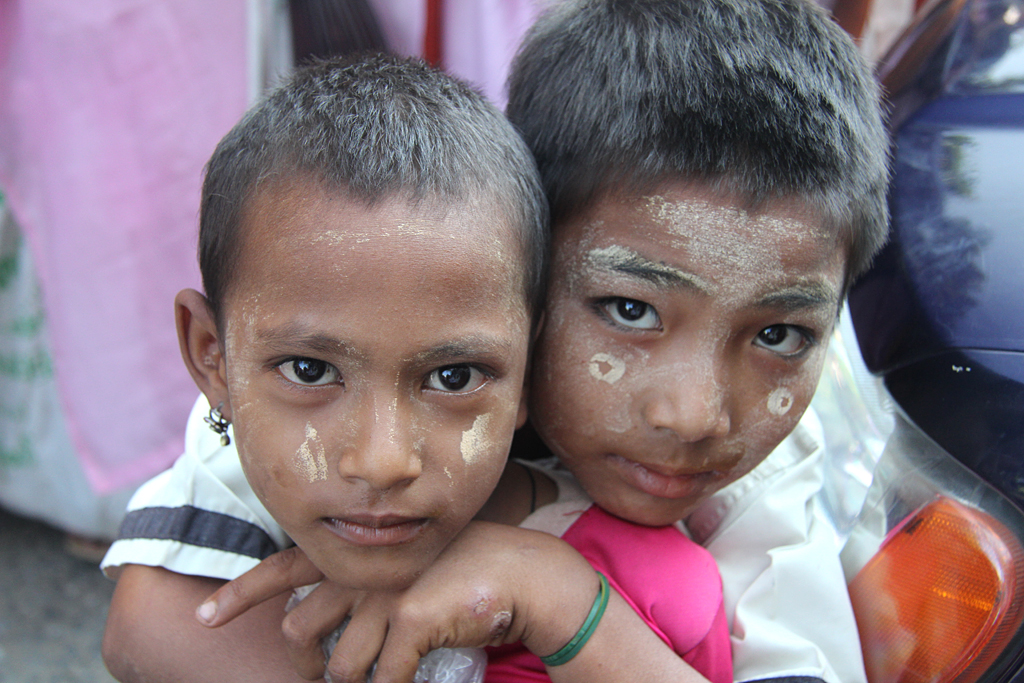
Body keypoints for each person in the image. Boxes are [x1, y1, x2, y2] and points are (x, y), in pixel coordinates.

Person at [105, 0, 890, 682]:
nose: (693, 415)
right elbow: (152, 622)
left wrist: (553, 595)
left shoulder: (773, 472)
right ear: (525, 259)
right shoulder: (321, 382)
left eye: (780, 333)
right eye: (629, 309)